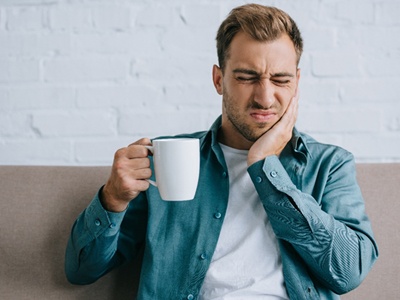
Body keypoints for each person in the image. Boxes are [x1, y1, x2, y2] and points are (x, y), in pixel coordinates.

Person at [65, 4, 378, 299]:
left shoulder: (330, 164)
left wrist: (264, 165)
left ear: (297, 82)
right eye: (246, 77)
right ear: (219, 79)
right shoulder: (165, 159)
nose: (265, 97)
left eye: (281, 79)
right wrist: (113, 199)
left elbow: (348, 272)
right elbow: (81, 271)